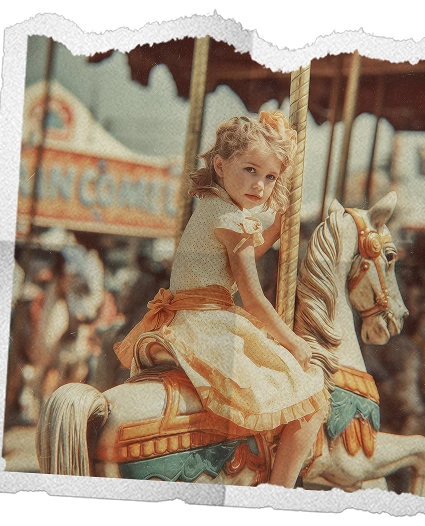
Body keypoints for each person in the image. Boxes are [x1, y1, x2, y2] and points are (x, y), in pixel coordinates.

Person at [114, 110, 330, 488]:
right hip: (211, 327)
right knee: (311, 400)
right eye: (250, 170)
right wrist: (294, 342)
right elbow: (255, 300)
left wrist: (276, 229)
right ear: (220, 163)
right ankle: (277, 494)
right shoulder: (234, 221)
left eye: (270, 177)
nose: (259, 185)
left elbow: (231, 265)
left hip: (181, 323)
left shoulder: (213, 208)